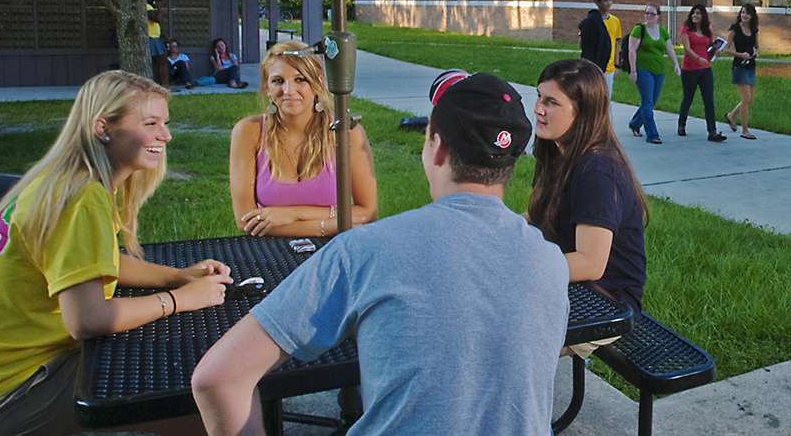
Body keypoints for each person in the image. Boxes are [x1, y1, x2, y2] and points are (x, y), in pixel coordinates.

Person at [192, 72, 568, 436]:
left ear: (436, 149)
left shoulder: (365, 250)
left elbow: (217, 379)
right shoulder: (550, 261)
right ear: (509, 163)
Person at [0, 70, 231, 436]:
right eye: (150, 123)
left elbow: (96, 264)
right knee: (215, 407)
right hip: (9, 396)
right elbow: (87, 320)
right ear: (103, 128)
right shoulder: (82, 199)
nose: (166, 135)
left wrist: (178, 275)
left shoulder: (69, 181)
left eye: (165, 122)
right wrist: (178, 299)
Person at [528, 59, 647, 357]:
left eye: (551, 102)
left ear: (581, 112)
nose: (538, 109)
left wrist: (521, 267)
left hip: (608, 299)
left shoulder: (597, 170)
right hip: (572, 284)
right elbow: (536, 218)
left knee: (508, 341)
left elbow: (591, 263)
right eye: (538, 97)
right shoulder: (554, 151)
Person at [228, 41, 377, 237]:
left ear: (318, 82)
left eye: (300, 79)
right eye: (278, 81)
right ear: (266, 86)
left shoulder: (345, 132)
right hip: (269, 253)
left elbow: (368, 212)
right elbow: (245, 220)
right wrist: (329, 225)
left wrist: (290, 214)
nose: (289, 90)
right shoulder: (248, 131)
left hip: (334, 249)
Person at [625, 3, 680, 144]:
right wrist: (633, 70)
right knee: (648, 102)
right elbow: (631, 50)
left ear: (658, 16)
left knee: (650, 102)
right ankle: (652, 135)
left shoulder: (662, 31)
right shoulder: (639, 29)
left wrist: (676, 65)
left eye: (652, 14)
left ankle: (635, 124)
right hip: (643, 70)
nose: (649, 16)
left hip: (658, 71)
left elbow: (670, 49)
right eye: (647, 13)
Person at [676, 4, 727, 142]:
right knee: (688, 99)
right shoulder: (686, 29)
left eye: (698, 13)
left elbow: (710, 47)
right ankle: (681, 125)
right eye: (693, 13)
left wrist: (716, 52)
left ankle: (712, 132)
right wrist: (699, 58)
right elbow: (686, 49)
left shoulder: (707, 31)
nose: (695, 16)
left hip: (705, 70)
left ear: (703, 15)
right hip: (690, 69)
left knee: (709, 101)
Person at [725, 3, 760, 140]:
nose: (744, 15)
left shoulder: (753, 29)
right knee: (745, 99)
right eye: (742, 12)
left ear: (752, 16)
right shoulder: (734, 29)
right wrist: (741, 55)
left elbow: (757, 47)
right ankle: (745, 130)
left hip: (751, 66)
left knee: (749, 99)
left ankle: (731, 115)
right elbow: (726, 49)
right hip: (739, 67)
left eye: (747, 13)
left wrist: (756, 52)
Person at [577, 0, 620, 96]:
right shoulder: (590, 21)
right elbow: (582, 45)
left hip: (609, 68)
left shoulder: (615, 21)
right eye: (605, 0)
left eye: (610, 0)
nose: (609, 3)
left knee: (606, 100)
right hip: (594, 66)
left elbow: (616, 43)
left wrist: (616, 65)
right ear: (597, 2)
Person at [148, 0, 170, 88]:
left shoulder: (151, 8)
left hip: (155, 37)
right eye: (159, 1)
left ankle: (161, 83)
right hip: (150, 38)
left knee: (157, 62)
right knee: (161, 60)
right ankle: (165, 84)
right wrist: (159, 8)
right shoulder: (147, 7)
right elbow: (157, 19)